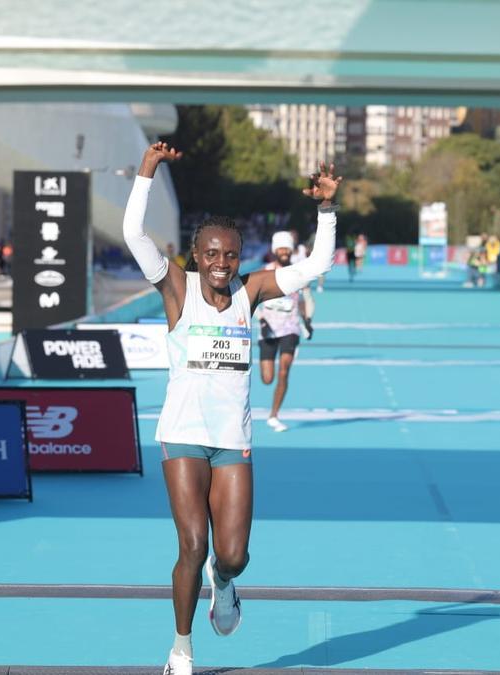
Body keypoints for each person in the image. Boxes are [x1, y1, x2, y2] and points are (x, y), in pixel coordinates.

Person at [122, 141, 338, 675]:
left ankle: (226, 583)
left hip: (232, 441)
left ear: (240, 257)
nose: (221, 264)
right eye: (212, 254)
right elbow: (133, 234)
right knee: (192, 543)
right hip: (181, 435)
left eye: (230, 255)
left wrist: (326, 209)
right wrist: (147, 170)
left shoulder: (253, 290)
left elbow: (318, 264)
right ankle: (180, 647)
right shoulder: (177, 286)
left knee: (233, 555)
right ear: (196, 256)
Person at [258, 231, 313, 433]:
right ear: (275, 250)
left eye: (286, 248)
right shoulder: (265, 272)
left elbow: (307, 299)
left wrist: (307, 320)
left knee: (284, 370)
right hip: (268, 328)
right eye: (280, 248)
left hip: (290, 328)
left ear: (290, 250)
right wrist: (261, 320)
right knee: (267, 378)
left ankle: (274, 415)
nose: (283, 251)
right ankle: (272, 408)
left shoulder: (298, 273)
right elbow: (254, 301)